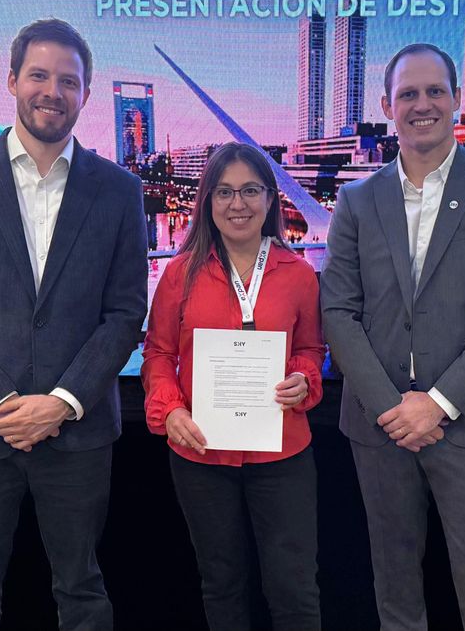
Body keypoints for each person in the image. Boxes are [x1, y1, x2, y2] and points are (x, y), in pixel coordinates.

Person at [0, 18, 147, 631]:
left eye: (69, 81)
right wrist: (2, 401)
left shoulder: (119, 191)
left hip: (78, 433)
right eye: (39, 75)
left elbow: (124, 312)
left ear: (86, 95)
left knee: (84, 594)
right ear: (12, 80)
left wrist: (62, 402)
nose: (52, 91)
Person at [320, 43, 465, 630]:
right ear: (387, 106)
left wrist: (436, 405)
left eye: (435, 91)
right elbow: (338, 311)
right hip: (379, 426)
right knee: (392, 578)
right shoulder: (357, 200)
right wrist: (394, 409)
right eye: (409, 94)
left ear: (457, 99)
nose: (423, 104)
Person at [141, 142, 324, 631]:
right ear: (208, 201)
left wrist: (304, 379)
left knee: (293, 588)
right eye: (224, 192)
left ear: (270, 199)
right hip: (201, 454)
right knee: (221, 583)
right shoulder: (179, 274)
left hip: (282, 456)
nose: (237, 204)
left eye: (249, 191)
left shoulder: (300, 275)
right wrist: (169, 409)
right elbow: (158, 354)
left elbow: (312, 351)